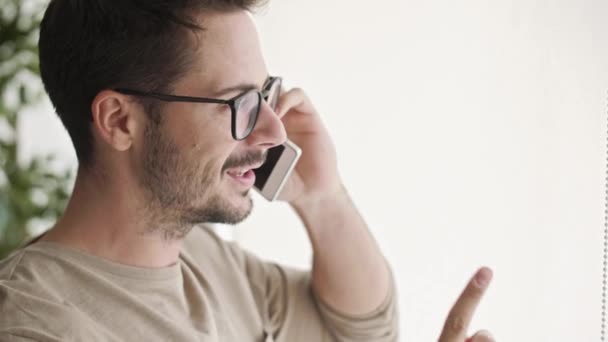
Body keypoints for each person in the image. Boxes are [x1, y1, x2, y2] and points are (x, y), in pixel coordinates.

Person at [0, 1, 494, 341]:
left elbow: (361, 330)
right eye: (237, 102)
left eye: (265, 93)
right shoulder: (34, 324)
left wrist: (322, 197)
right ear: (119, 120)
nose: (274, 130)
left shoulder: (205, 259)